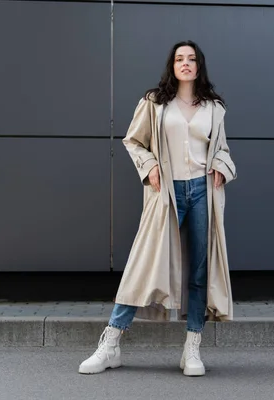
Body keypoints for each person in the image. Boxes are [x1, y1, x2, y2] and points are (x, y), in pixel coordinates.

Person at [78, 40, 237, 377]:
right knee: (143, 264)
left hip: (202, 191)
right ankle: (110, 344)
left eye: (192, 59)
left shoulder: (214, 107)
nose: (186, 63)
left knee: (199, 270)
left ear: (199, 66)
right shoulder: (155, 102)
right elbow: (134, 141)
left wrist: (222, 166)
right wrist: (149, 166)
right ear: (172, 65)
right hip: (165, 192)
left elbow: (222, 149)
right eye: (180, 58)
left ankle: (192, 348)